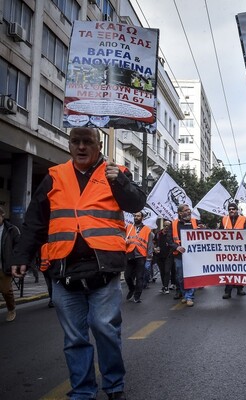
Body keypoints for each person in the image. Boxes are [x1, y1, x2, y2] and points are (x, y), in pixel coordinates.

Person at [11, 126, 146, 399]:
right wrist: (21, 255)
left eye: (88, 142)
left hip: (103, 269)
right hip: (63, 270)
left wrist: (119, 180)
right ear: (69, 145)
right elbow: (35, 221)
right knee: (75, 338)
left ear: (98, 146)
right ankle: (83, 391)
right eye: (76, 142)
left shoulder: (115, 172)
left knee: (104, 328)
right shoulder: (54, 176)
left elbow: (135, 204)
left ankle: (113, 385)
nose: (81, 147)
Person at [167, 204, 202, 307]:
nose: (189, 212)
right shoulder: (173, 224)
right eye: (186, 210)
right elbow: (169, 240)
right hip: (179, 254)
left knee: (191, 275)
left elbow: (204, 234)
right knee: (180, 276)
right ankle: (185, 293)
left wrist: (203, 229)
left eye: (189, 210)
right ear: (180, 213)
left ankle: (189, 297)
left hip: (193, 255)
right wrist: (176, 247)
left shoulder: (196, 222)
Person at [219, 202, 246, 299]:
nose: (231, 211)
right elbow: (219, 234)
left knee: (240, 270)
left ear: (237, 210)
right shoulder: (224, 219)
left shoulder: (243, 219)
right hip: (228, 250)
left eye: (233, 209)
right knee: (229, 270)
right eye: (229, 209)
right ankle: (228, 291)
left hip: (240, 249)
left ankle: (240, 288)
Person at [125, 212, 154, 304]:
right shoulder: (128, 227)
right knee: (127, 276)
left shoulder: (147, 229)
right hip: (129, 254)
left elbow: (150, 244)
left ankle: (137, 296)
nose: (136, 217)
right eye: (135, 216)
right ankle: (132, 289)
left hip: (141, 255)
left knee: (139, 277)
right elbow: (123, 238)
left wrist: (149, 257)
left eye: (138, 216)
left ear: (142, 218)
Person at [0, 206, 20, 322]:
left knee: (6, 290)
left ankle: (11, 308)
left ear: (2, 215)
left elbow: (18, 246)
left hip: (5, 265)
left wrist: (15, 262)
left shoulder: (11, 229)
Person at [155, 219, 173, 295]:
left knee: (167, 271)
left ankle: (166, 287)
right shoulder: (158, 234)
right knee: (162, 272)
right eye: (165, 225)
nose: (166, 227)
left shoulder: (171, 235)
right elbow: (154, 243)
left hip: (169, 256)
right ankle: (164, 286)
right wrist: (155, 248)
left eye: (168, 226)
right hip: (159, 256)